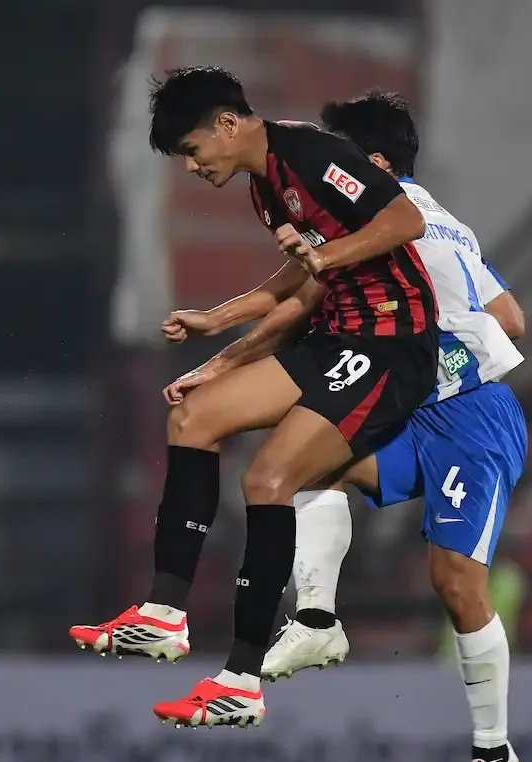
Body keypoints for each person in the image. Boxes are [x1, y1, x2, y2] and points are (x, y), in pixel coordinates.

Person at [161, 91, 526, 762]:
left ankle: (493, 752)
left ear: (375, 164)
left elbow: (505, 321)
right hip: (415, 403)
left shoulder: (401, 229)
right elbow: (507, 313)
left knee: (455, 585)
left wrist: (218, 359)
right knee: (301, 459)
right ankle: (318, 617)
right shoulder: (426, 226)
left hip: (472, 420)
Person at [69, 69, 439, 728]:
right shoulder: (267, 185)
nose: (192, 165)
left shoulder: (311, 155)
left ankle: (241, 676)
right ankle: (164, 614)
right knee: (194, 415)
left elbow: (403, 219)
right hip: (335, 339)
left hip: (390, 340)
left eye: (191, 149)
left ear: (228, 123)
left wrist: (328, 259)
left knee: (266, 477)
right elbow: (301, 279)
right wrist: (218, 326)